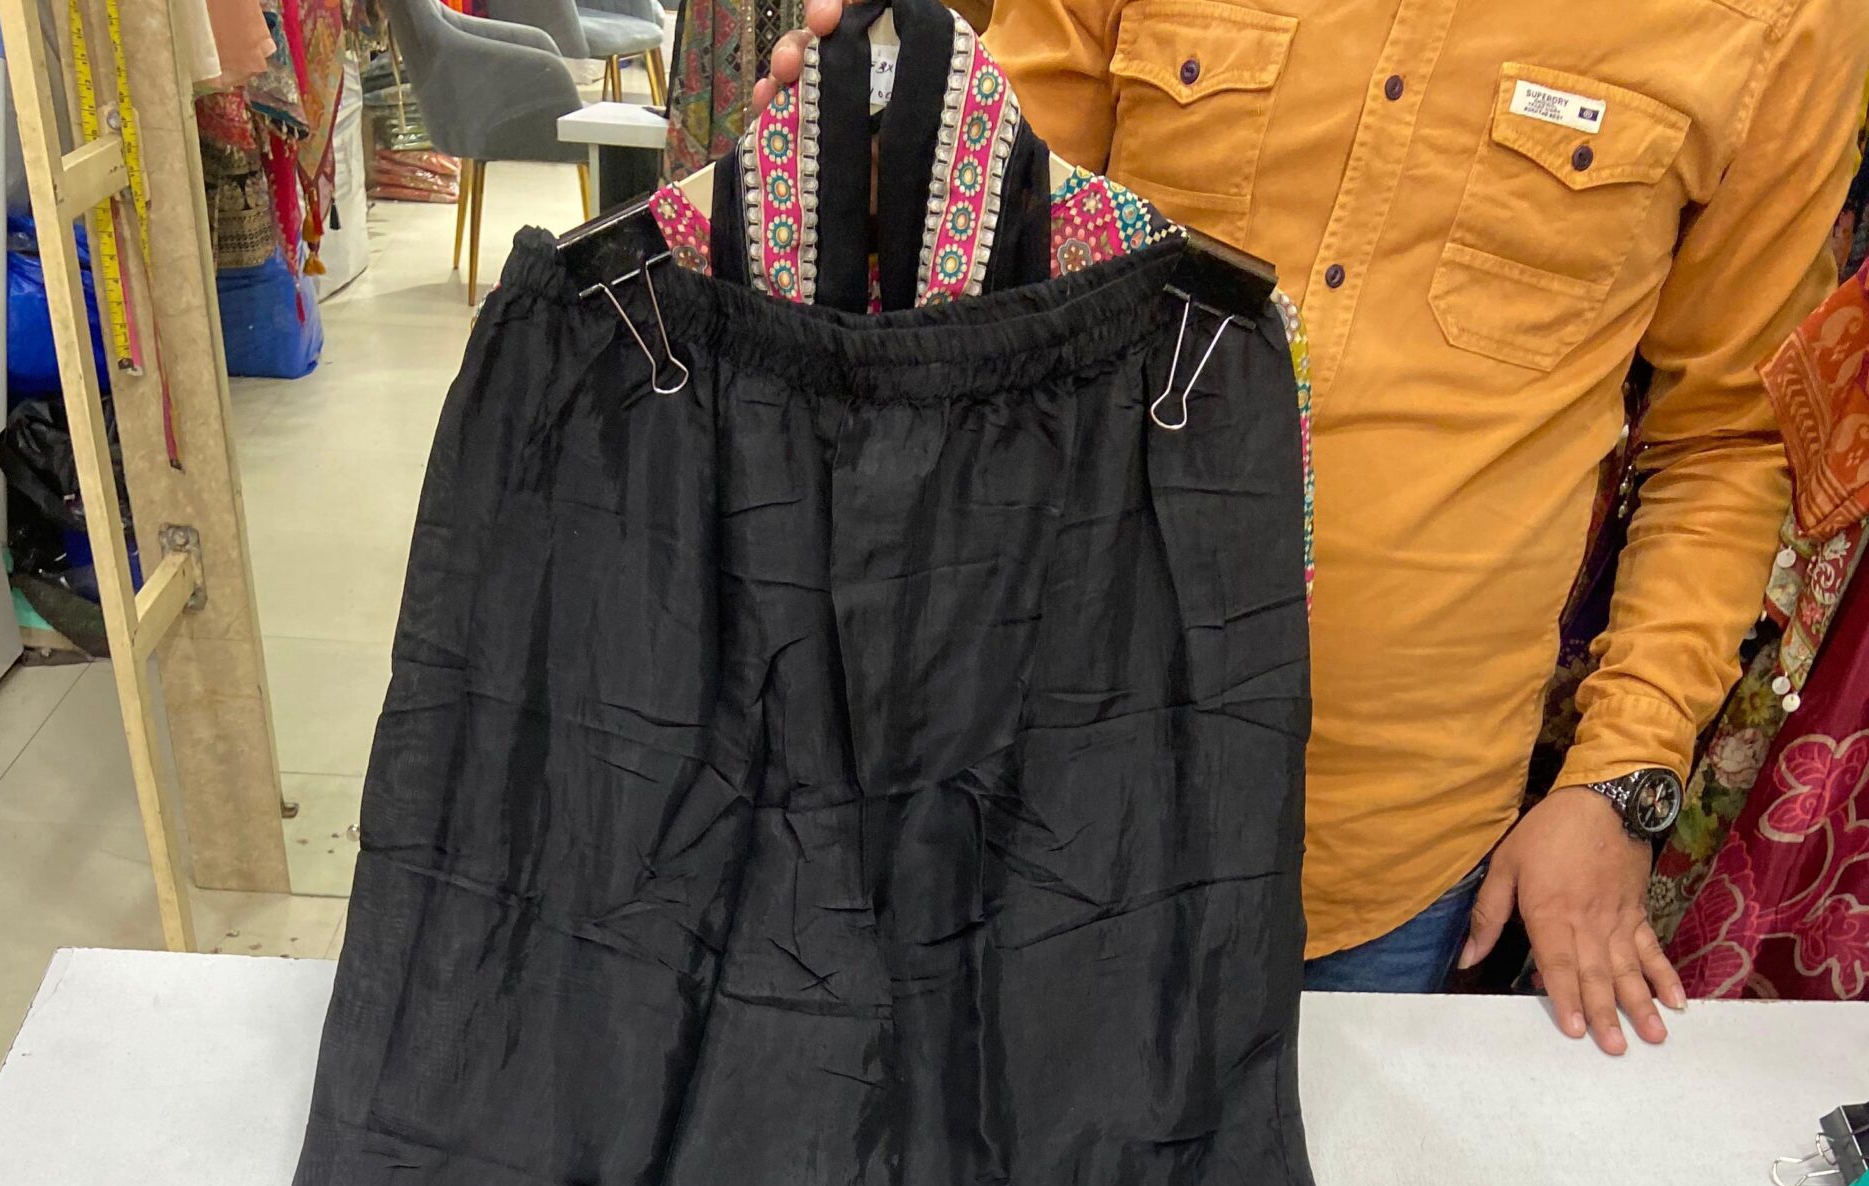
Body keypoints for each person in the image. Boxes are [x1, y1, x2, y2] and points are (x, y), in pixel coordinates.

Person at [753, 2, 1869, 1049]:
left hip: (1376, 852)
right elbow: (991, 239)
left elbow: (1726, 438)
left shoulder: (1785, 23)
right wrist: (868, 169)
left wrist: (1624, 779)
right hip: (1021, 752)